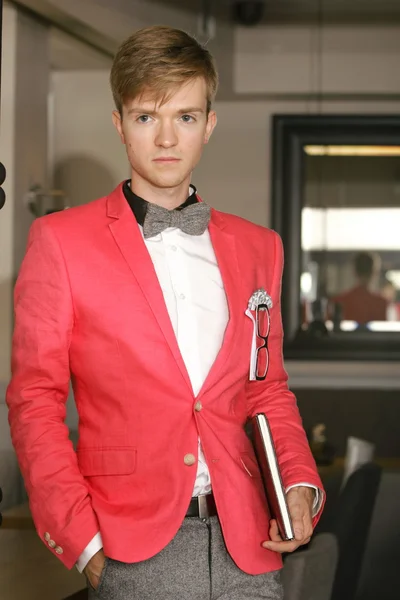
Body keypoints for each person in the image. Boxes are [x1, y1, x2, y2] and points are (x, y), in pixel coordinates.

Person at [6, 26, 324, 600]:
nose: (166, 139)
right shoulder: (59, 241)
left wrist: (297, 482)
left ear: (209, 125)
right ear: (120, 125)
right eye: (146, 117)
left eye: (185, 116)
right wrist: (84, 542)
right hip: (131, 548)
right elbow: (35, 399)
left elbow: (267, 388)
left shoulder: (260, 247)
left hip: (250, 545)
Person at [330, 251, 388, 325]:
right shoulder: (381, 303)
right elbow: (384, 334)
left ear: (354, 271)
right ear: (374, 272)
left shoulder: (339, 301)